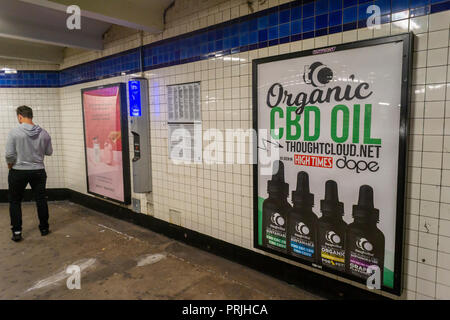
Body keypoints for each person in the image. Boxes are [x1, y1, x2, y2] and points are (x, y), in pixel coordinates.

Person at [5, 106, 53, 242]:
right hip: (38, 171)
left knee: (15, 201)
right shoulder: (44, 133)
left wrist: (11, 165)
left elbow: (9, 154)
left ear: (20, 116)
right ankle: (44, 228)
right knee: (41, 199)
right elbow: (49, 152)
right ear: (31, 116)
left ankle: (17, 232)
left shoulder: (14, 133)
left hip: (18, 171)